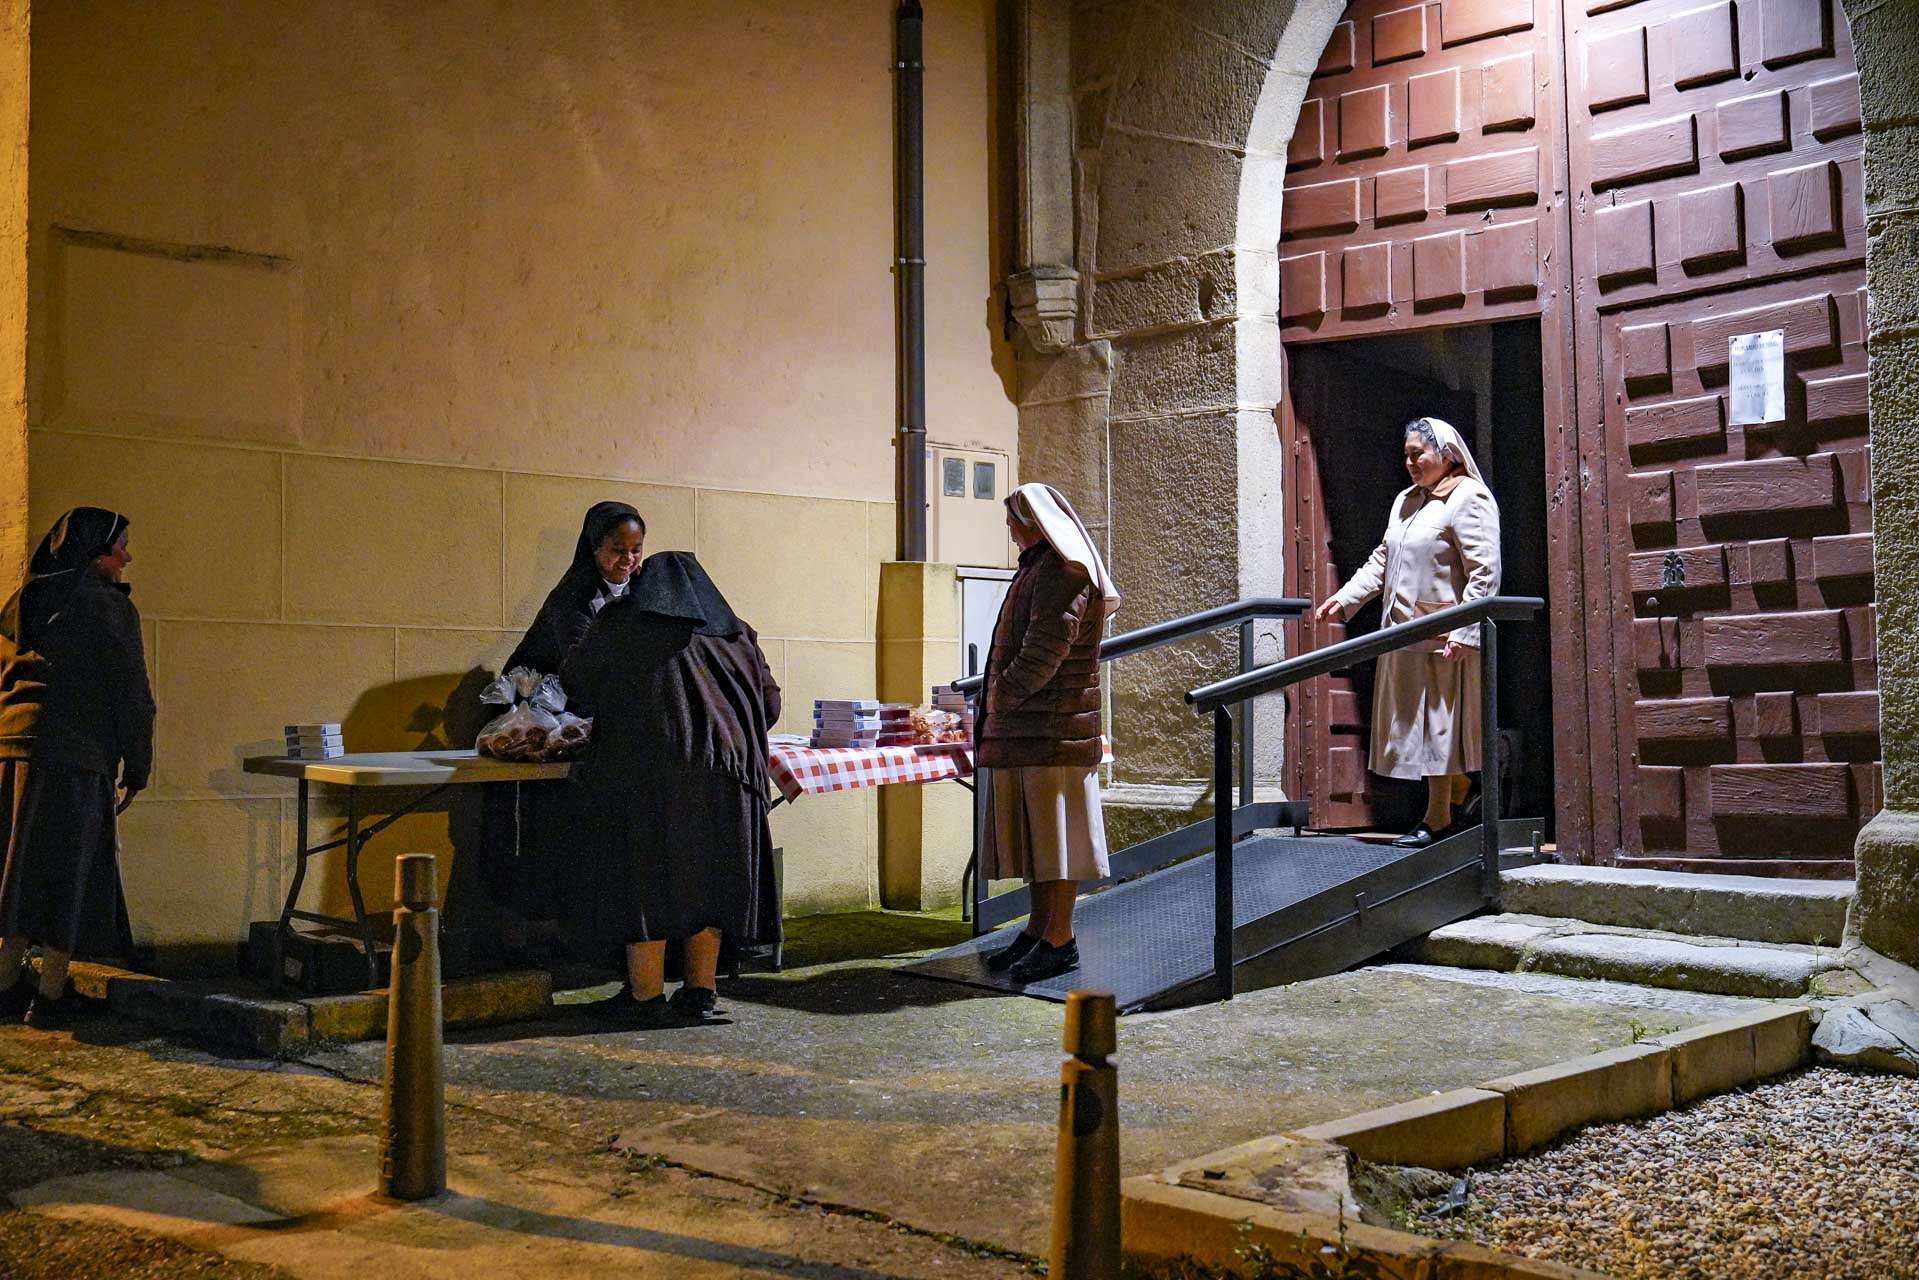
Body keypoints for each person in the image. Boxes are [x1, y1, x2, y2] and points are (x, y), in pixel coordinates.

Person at [562, 551, 781, 1027]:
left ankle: (645, 996)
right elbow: (770, 705)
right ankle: (700, 990)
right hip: (732, 777)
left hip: (648, 773)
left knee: (644, 880)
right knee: (712, 880)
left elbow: (577, 684)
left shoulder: (622, 623)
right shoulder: (737, 631)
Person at [1314, 417, 1502, 848]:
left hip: (1443, 637)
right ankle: (1458, 793)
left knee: (1437, 728)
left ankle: (1438, 818)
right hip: (1403, 634)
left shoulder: (1468, 498)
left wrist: (1465, 631)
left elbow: (1484, 572)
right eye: (1408, 454)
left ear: (1447, 454)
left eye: (1419, 453)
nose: (1411, 462)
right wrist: (1346, 598)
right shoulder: (1406, 501)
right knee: (1416, 727)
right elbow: (1384, 558)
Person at [0, 509, 154, 1028]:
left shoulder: (25, 603)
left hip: (14, 752)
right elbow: (132, 694)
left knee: (17, 872)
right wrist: (138, 768)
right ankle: (48, 995)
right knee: (70, 871)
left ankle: (4, 985)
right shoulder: (107, 608)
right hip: (74, 757)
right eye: (121, 546)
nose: (127, 557)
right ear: (97, 552)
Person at [975, 483, 1121, 984]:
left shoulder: (1064, 571)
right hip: (1037, 728)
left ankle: (1059, 937)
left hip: (1055, 732)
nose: (1010, 531)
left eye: (1014, 521)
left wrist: (999, 696)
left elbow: (1042, 653)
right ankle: (1040, 930)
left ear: (1035, 523)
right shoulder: (1044, 568)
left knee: (1058, 842)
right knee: (1043, 843)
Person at [483, 501, 645, 938]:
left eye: (636, 550)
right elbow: (582, 667)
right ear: (593, 548)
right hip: (544, 714)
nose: (627, 561)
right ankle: (545, 927)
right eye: (617, 549)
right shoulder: (572, 598)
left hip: (591, 715)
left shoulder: (637, 593)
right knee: (554, 827)